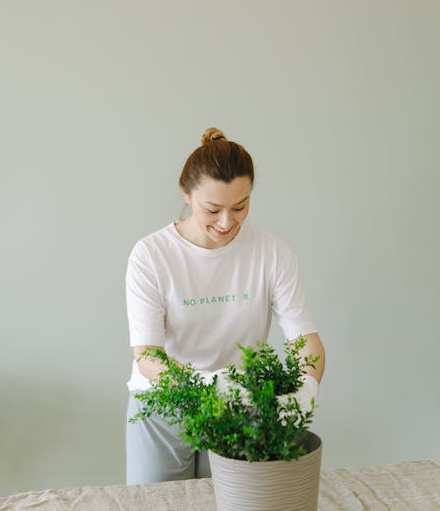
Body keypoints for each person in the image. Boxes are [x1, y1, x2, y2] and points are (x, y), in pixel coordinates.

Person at [125, 127, 325, 485]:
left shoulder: (273, 253)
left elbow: (303, 340)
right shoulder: (151, 255)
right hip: (165, 406)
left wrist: (308, 383)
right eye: (212, 209)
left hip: (241, 408)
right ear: (186, 194)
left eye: (240, 206)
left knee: (230, 500)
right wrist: (205, 386)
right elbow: (148, 355)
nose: (226, 222)